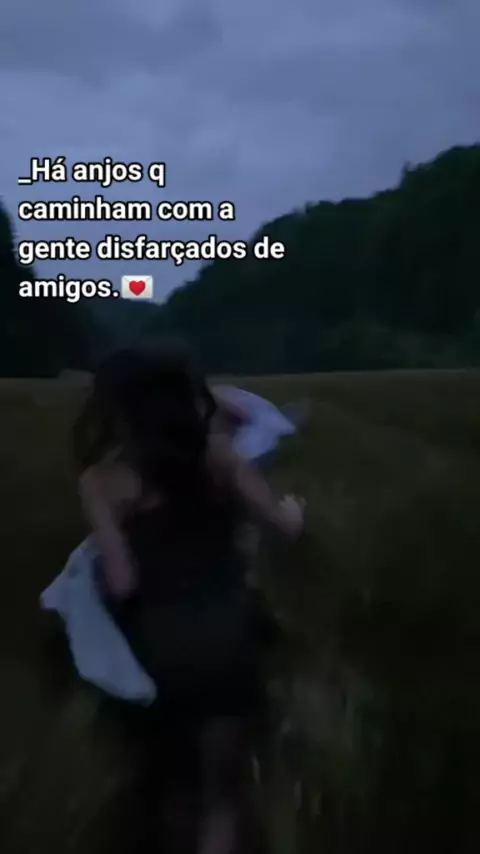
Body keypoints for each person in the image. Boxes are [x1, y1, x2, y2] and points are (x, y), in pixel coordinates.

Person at [73, 342, 305, 854]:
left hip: (158, 650)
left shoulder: (100, 481)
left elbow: (123, 583)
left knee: (174, 788)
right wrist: (294, 511)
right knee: (221, 799)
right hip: (228, 639)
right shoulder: (217, 455)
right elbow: (284, 528)